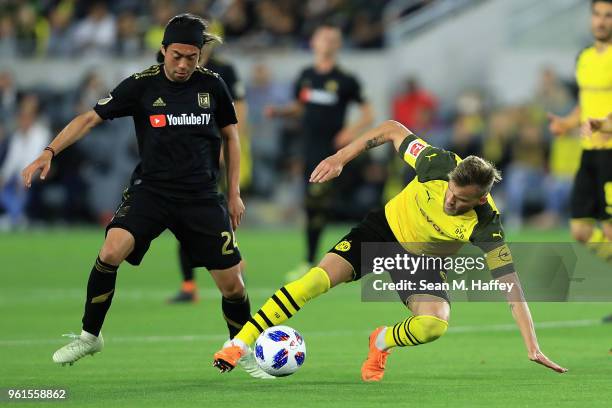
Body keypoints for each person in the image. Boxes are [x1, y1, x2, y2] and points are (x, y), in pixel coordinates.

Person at [212, 120, 567, 381]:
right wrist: (342, 156)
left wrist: (532, 345)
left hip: (422, 260)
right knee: (314, 282)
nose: (450, 201)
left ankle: (380, 341)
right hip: (381, 231)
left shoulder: (487, 224)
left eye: (461, 201)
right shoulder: (438, 163)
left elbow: (511, 287)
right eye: (450, 192)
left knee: (434, 325)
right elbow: (393, 129)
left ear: (480, 198)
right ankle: (239, 344)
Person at [21, 13, 269, 378]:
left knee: (232, 285)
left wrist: (233, 194)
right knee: (110, 250)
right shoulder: (141, 86)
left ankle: (241, 350)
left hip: (201, 196)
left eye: (192, 57)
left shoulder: (213, 86)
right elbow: (89, 119)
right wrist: (49, 151)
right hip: (152, 191)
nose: (184, 64)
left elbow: (232, 137)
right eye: (177, 56)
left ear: (200, 54)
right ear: (163, 50)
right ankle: (91, 335)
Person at [165, 41, 249, 304]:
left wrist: (229, 144)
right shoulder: (171, 67)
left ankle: (230, 259)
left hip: (213, 155)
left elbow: (240, 111)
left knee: (217, 213)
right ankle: (189, 284)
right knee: (182, 220)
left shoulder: (222, 72)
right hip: (182, 159)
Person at [547, 0, 612, 317]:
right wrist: (566, 123)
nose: (601, 21)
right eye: (597, 14)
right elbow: (585, 105)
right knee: (581, 230)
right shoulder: (584, 58)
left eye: (608, 15)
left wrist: (605, 123)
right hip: (590, 155)